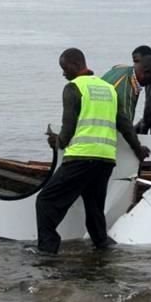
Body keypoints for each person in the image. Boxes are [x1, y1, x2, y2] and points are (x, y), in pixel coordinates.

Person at [36, 48, 122, 254]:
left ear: (75, 65)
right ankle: (103, 246)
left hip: (81, 158)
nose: (63, 73)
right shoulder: (109, 89)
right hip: (106, 159)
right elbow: (124, 123)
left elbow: (68, 129)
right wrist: (137, 148)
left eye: (64, 68)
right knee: (94, 206)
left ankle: (47, 250)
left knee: (46, 200)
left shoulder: (73, 87)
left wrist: (57, 141)